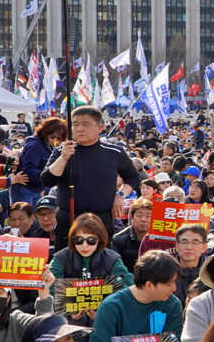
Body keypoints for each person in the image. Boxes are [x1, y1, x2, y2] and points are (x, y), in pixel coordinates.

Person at [42, 106, 140, 247]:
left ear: (99, 128)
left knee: (100, 258)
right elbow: (47, 180)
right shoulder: (62, 151)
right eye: (75, 124)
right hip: (68, 218)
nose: (79, 129)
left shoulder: (114, 152)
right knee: (66, 259)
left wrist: (120, 195)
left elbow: (133, 177)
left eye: (85, 124)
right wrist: (63, 158)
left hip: (101, 218)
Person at [89, 250, 183, 342]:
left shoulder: (172, 304)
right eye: (168, 284)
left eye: (174, 282)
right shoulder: (111, 306)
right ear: (149, 285)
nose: (174, 288)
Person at [48, 213, 134, 334]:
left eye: (91, 241)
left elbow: (127, 286)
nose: (84, 245)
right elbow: (50, 287)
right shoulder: (60, 258)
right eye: (79, 240)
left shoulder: (112, 259)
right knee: (77, 323)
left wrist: (105, 310)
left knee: (100, 322)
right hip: (67, 319)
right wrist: (66, 309)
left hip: (105, 315)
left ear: (100, 239)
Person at [12, 116, 66, 206]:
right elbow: (29, 169)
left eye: (58, 138)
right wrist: (46, 177)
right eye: (53, 137)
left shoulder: (47, 144)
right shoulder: (35, 145)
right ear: (45, 132)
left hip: (34, 188)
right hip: (25, 188)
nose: (55, 140)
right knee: (24, 214)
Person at [109, 197, 152, 271]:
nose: (143, 219)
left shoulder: (159, 238)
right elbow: (117, 268)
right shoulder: (118, 240)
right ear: (132, 218)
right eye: (139, 215)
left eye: (148, 216)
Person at [172, 224, 207, 306]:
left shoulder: (211, 271)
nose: (189, 247)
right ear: (177, 246)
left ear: (204, 247)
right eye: (184, 242)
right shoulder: (166, 269)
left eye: (195, 243)